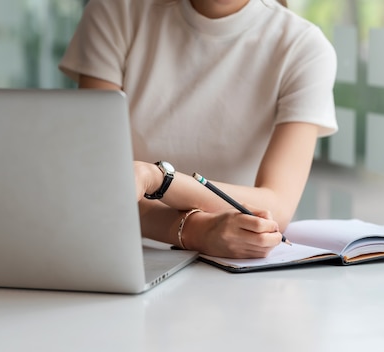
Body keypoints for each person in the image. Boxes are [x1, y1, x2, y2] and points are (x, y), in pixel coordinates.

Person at [59, 0, 338, 259]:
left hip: (234, 266)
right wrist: (194, 231)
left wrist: (156, 178)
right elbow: (98, 182)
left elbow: (276, 206)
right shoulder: (115, 11)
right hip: (116, 252)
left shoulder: (304, 48)